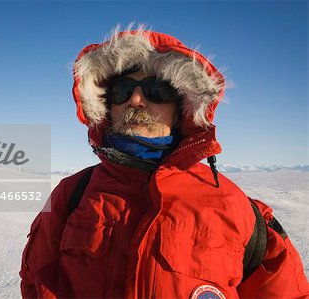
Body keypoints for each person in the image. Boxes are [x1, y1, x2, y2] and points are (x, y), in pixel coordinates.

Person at [20, 26, 308, 298]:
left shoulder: (236, 210)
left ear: (182, 106)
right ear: (108, 105)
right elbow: (37, 279)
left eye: (155, 90)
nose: (135, 100)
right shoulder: (72, 195)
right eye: (121, 90)